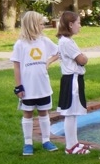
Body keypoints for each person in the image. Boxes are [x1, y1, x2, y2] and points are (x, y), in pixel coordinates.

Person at [11, 11, 60, 156]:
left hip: (43, 86)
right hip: (28, 88)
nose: (43, 26)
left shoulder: (44, 41)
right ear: (32, 25)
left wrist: (48, 62)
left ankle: (46, 140)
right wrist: (19, 86)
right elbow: (16, 66)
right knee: (28, 113)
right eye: (41, 24)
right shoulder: (20, 44)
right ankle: (28, 143)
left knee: (44, 112)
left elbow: (58, 52)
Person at [56, 11, 91, 155]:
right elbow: (82, 59)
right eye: (78, 23)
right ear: (70, 24)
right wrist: (84, 57)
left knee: (74, 112)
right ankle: (70, 146)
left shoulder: (68, 41)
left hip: (73, 78)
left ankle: (74, 142)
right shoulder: (66, 42)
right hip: (72, 79)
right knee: (70, 113)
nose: (80, 26)